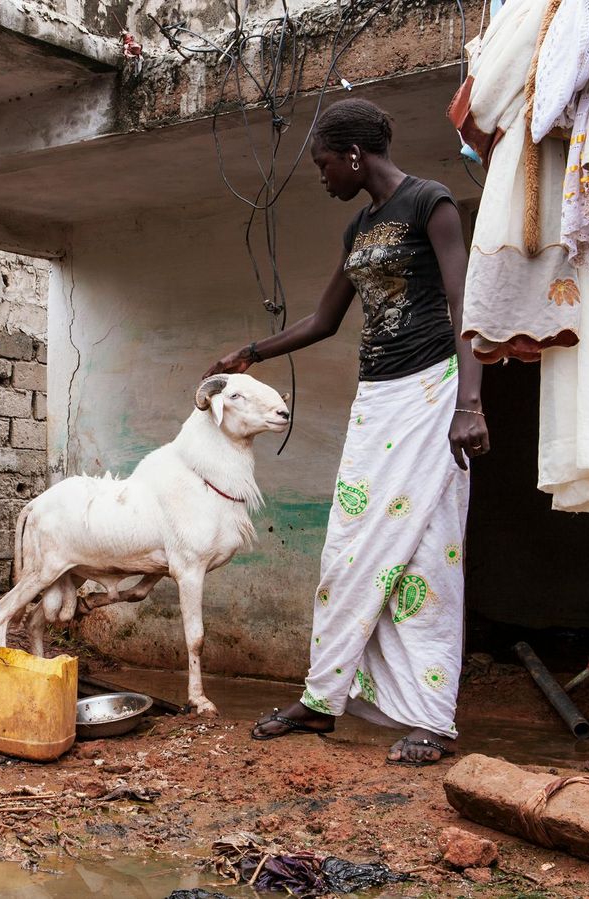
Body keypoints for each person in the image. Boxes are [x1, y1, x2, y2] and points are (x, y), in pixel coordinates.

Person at [203, 98, 489, 766]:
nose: (322, 175)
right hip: (376, 403)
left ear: (355, 154)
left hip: (430, 391)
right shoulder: (359, 228)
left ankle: (431, 719)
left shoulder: (431, 203)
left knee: (425, 556)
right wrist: (251, 352)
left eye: (325, 162)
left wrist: (470, 403)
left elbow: (464, 301)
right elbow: (325, 319)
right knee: (348, 551)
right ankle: (322, 697)